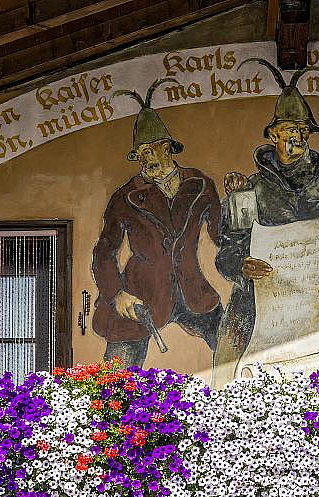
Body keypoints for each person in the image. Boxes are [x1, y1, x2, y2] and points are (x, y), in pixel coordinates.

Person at [213, 59, 319, 386]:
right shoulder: (249, 191)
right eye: (289, 130)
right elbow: (226, 254)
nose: (297, 137)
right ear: (273, 135)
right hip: (255, 317)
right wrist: (242, 265)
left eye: (303, 130)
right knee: (230, 392)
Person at [92, 78, 223, 368]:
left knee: (231, 343)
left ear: (166, 148)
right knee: (116, 377)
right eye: (139, 154)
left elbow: (220, 234)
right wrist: (116, 293)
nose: (144, 160)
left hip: (192, 289)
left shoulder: (200, 185)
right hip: (140, 292)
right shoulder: (126, 196)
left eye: (149, 151)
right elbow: (104, 250)